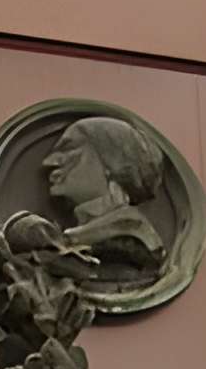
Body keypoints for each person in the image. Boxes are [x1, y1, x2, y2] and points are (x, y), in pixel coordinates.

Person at [42, 115, 166, 271]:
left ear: (113, 163)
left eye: (69, 148)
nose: (48, 162)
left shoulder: (135, 239)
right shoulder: (80, 232)